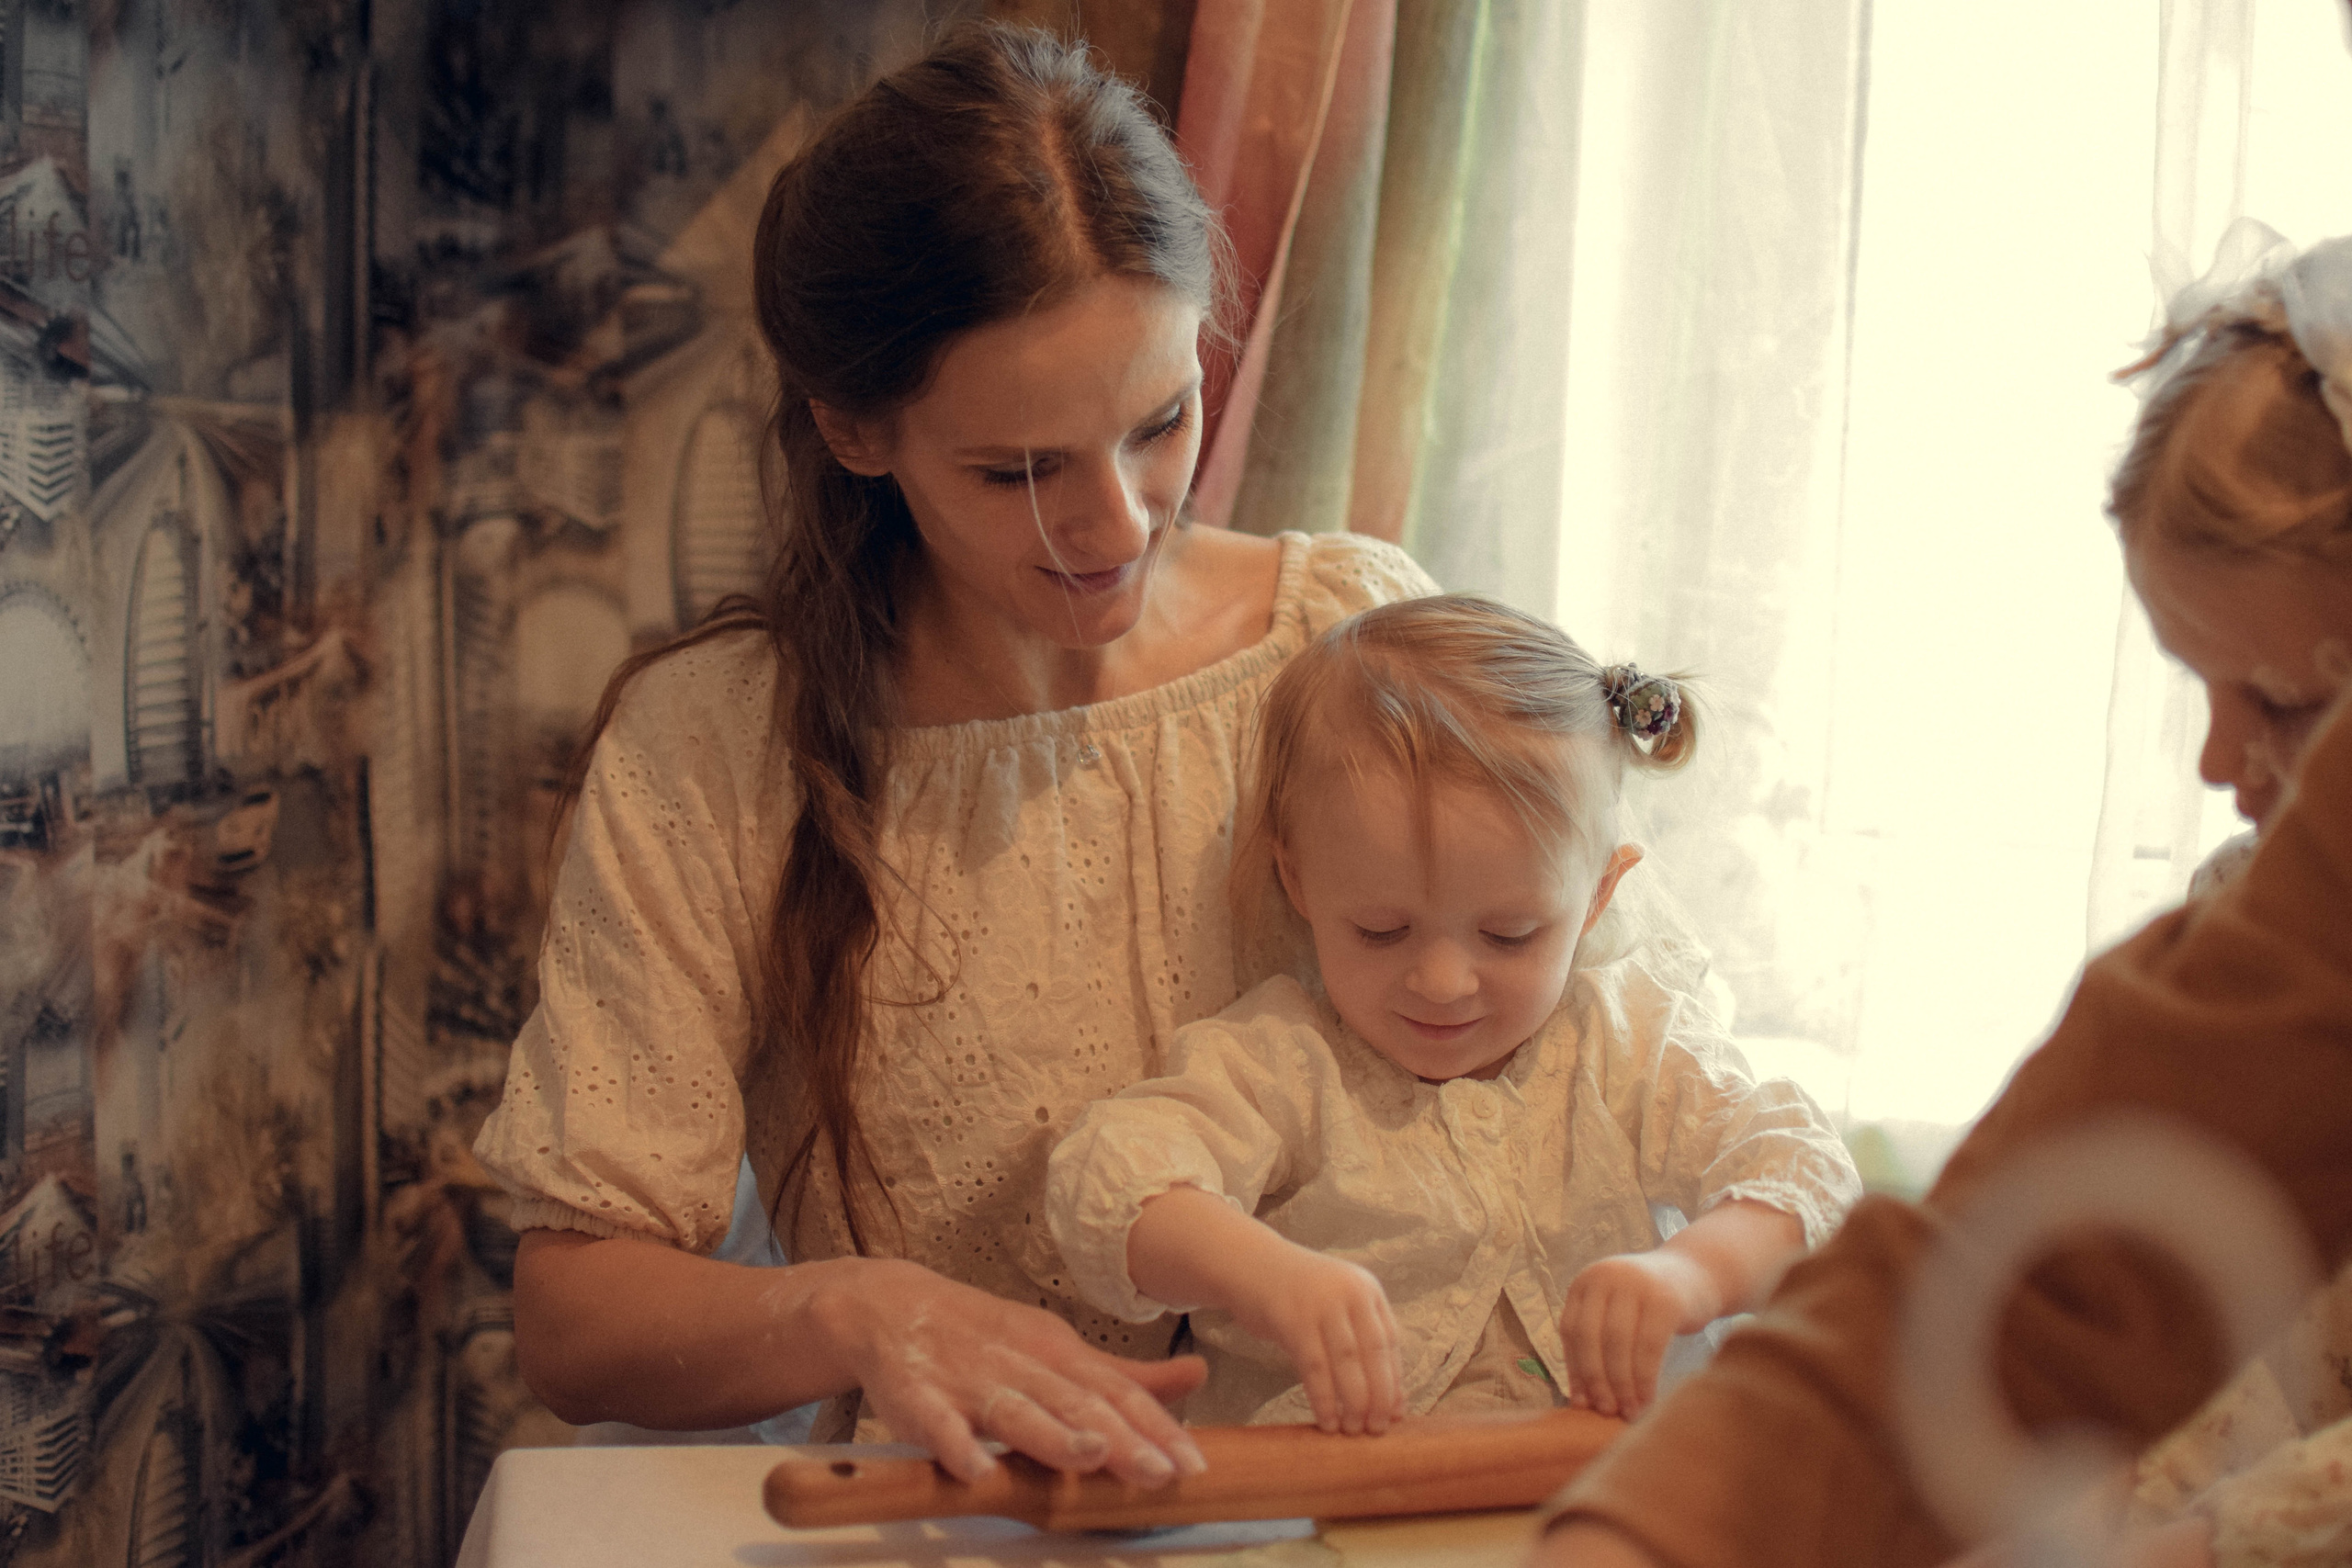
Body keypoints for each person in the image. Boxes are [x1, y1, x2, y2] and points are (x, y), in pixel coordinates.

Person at [469, 24, 1453, 1489]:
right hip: (962, 1514)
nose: (1118, 523)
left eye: (1161, 421)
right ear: (855, 428)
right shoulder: (717, 748)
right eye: (1022, 469)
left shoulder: (1352, 639)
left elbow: (1584, 1046)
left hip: (1365, 1496)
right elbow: (572, 1320)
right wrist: (860, 1311)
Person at [1528, 231, 2352, 1568]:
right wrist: (1649, 1528)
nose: (2216, 760)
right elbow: (2027, 1258)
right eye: (2201, 687)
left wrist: (2209, 1545)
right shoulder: (2281, 912)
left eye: (2288, 700)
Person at [1045, 595, 1861, 1434]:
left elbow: (1804, 1172)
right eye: (1381, 929)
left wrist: (1689, 1276)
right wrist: (1268, 1277)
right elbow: (1108, 1182)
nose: (1440, 982)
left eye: (1509, 934)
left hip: (1610, 1481)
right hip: (1336, 1491)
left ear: (1597, 895)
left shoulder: (1631, 1039)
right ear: (1299, 881)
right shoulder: (1283, 1061)